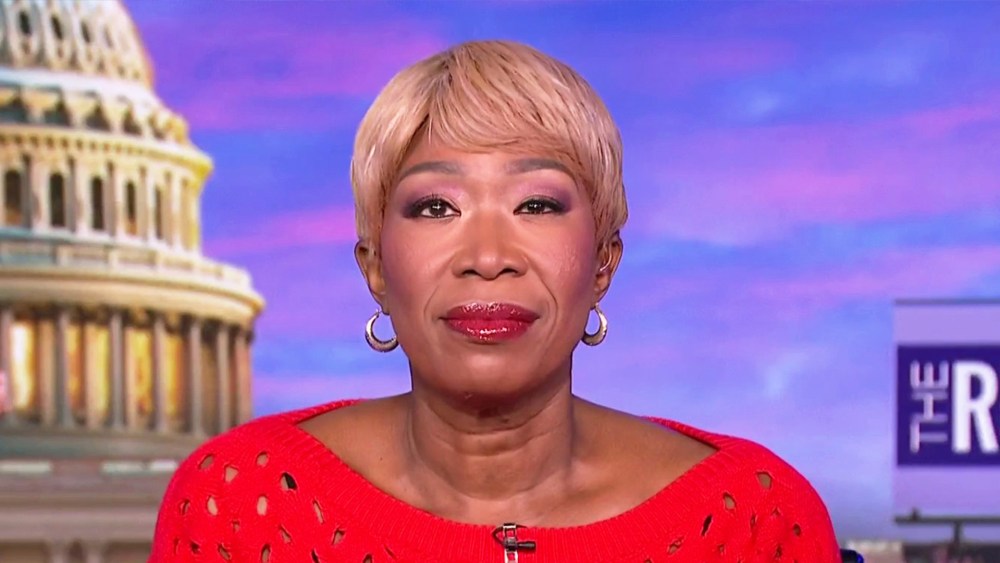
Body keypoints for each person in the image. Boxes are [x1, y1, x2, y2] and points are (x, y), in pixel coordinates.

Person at [149, 40, 841, 563]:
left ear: (603, 263)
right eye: (436, 206)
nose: (487, 256)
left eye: (536, 204)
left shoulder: (753, 518)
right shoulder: (237, 504)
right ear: (376, 268)